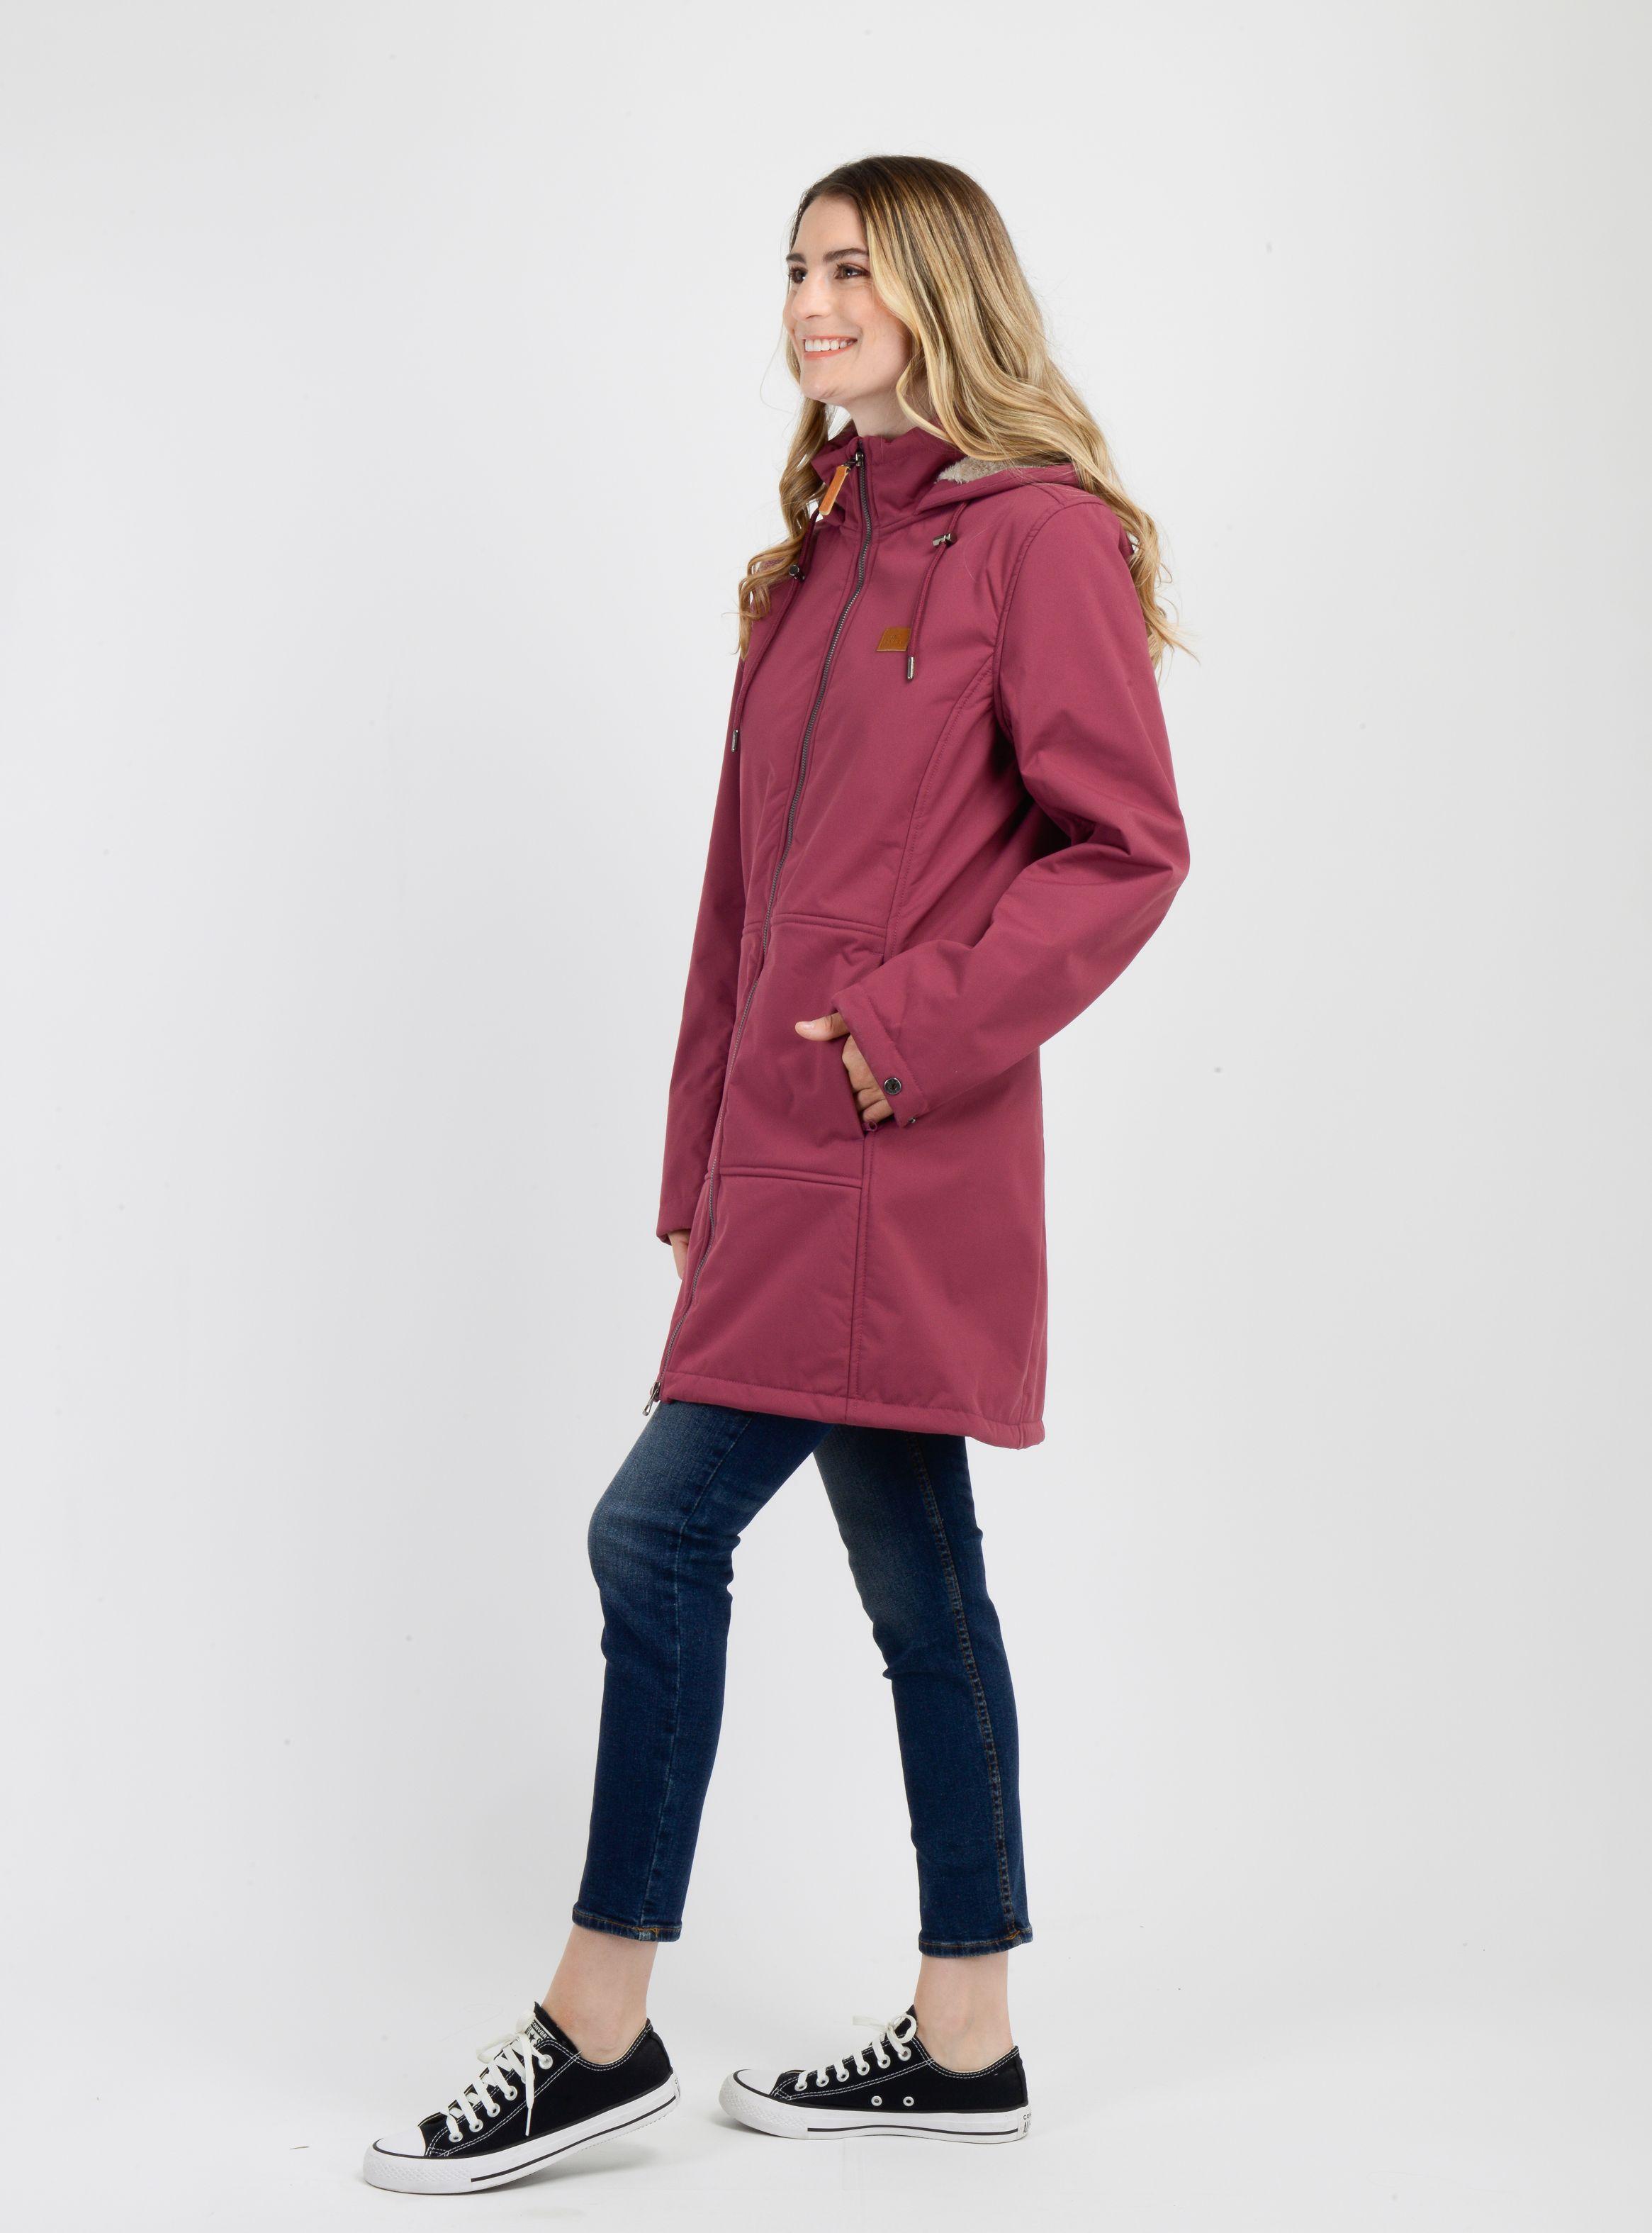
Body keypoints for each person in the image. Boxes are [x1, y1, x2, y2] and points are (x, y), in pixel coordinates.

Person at [364, 151, 1190, 2195]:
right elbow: (741, 901)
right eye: (798, 267)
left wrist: (897, 1034)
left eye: (854, 269)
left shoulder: (1037, 539)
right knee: (921, 1583)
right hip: (785, 1156)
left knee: (653, 1535)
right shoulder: (814, 559)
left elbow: (1124, 850)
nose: (813, 303)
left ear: (942, 292)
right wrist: (700, 1155)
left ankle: (597, 2027)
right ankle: (967, 2040)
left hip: (900, 1152)